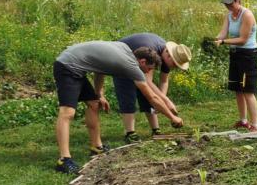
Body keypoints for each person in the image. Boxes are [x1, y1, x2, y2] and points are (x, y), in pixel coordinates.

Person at [53, 41, 184, 174]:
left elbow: (100, 68)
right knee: (67, 112)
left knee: (94, 104)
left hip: (76, 65)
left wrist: (99, 94)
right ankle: (64, 160)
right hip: (67, 66)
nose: (149, 72)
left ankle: (96, 147)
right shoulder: (132, 66)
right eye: (150, 68)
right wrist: (173, 117)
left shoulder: (126, 49)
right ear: (142, 62)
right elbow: (152, 98)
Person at [113, 34, 192, 142]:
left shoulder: (165, 55)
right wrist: (166, 102)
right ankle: (130, 133)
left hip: (137, 63)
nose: (174, 67)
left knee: (149, 95)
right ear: (169, 56)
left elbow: (164, 81)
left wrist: (162, 100)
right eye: (175, 64)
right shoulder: (152, 52)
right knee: (128, 93)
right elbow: (148, 82)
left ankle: (156, 129)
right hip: (120, 59)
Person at [214, 0, 257, 131]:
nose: (228, 6)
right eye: (226, 4)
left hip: (248, 55)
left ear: (237, 0)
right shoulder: (228, 16)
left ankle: (255, 125)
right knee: (238, 90)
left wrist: (224, 42)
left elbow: (243, 39)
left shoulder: (247, 15)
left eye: (230, 3)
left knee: (248, 91)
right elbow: (223, 33)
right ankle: (243, 120)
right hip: (235, 54)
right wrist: (215, 39)